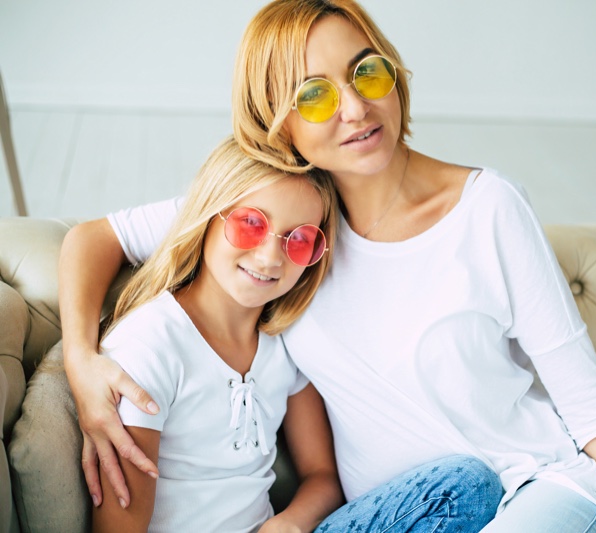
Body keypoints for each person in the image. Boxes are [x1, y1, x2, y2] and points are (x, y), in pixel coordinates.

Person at [60, 1, 596, 531]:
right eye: (315, 94)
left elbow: (595, 413)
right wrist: (82, 364)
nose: (355, 109)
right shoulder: (275, 227)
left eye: (367, 73)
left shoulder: (488, 208)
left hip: (541, 491)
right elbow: (92, 239)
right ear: (273, 121)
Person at [88, 135, 501, 533]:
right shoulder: (150, 344)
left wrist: (291, 521)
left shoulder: (284, 343)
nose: (270, 257)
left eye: (299, 239)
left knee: (469, 485)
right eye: (250, 223)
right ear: (208, 215)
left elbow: (322, 476)